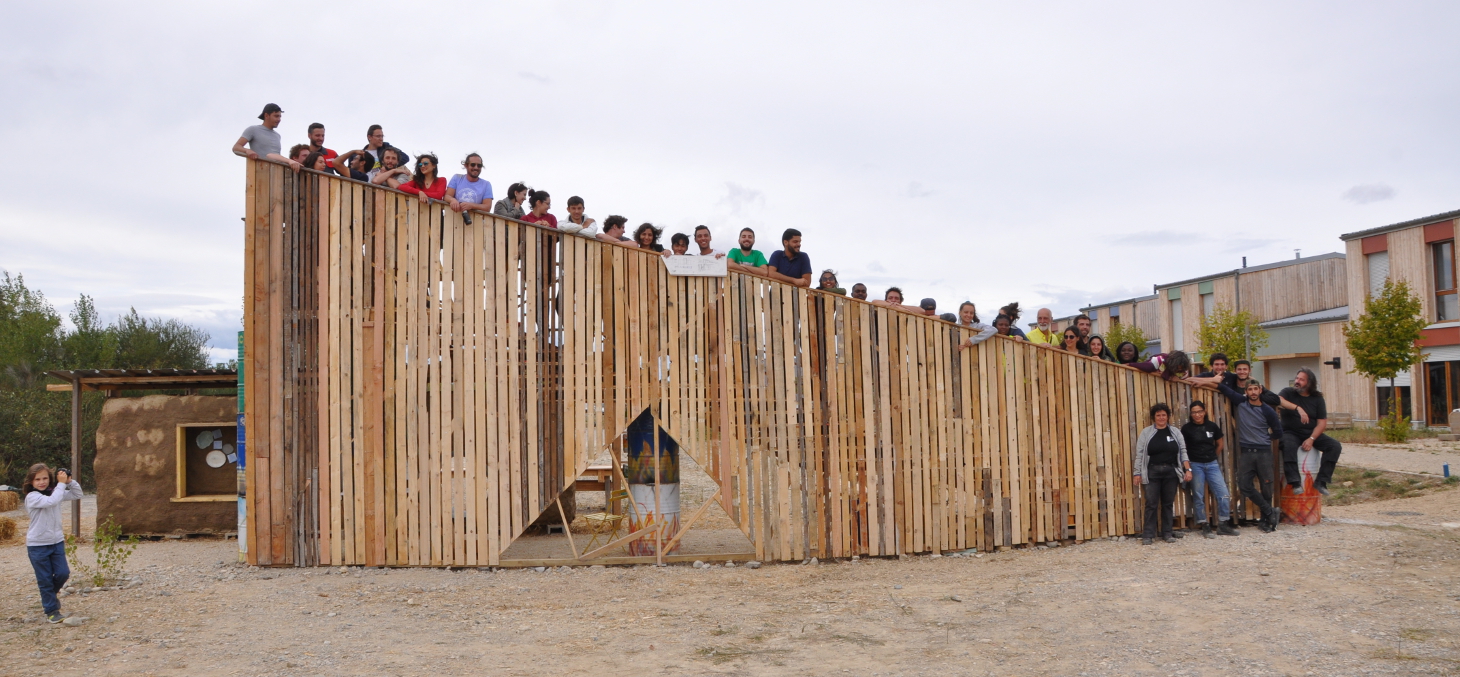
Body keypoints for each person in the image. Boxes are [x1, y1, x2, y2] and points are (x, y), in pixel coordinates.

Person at [1216, 378, 1284, 532]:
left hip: (1264, 453)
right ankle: (1269, 510)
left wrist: (1266, 439)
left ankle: (1266, 521)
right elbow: (1223, 388)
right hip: (1246, 453)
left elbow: (1278, 431)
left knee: (1267, 487)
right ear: (1245, 392)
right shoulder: (1241, 403)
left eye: (1255, 389)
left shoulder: (1268, 410)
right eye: (1250, 390)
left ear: (1260, 390)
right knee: (1245, 485)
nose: (1253, 392)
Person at [24, 464, 84, 623]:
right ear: (31, 482)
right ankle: (52, 610)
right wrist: (61, 484)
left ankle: (49, 596)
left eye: (45, 478)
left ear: (50, 479)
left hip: (56, 542)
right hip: (37, 545)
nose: (42, 482)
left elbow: (77, 493)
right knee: (44, 579)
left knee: (63, 573)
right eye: (37, 479)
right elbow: (51, 502)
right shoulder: (32, 497)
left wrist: (69, 481)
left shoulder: (54, 492)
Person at [1277, 368, 1343, 496]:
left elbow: (1322, 422)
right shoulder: (1288, 392)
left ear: (1309, 383)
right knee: (1288, 445)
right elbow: (1278, 400)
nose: (1297, 381)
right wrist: (1298, 408)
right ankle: (1295, 482)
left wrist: (1312, 438)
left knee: (1334, 446)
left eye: (1301, 380)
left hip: (1310, 432)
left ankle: (1322, 481)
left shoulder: (1317, 398)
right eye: (1297, 378)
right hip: (1290, 432)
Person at [1134, 403, 1192, 545]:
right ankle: (1148, 534)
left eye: (1163, 415)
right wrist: (1137, 473)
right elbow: (1140, 454)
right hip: (1152, 471)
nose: (1161, 418)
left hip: (1171, 472)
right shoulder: (1146, 433)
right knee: (1151, 503)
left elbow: (1183, 451)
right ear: (1154, 417)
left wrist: (1188, 469)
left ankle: (1167, 532)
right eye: (1158, 415)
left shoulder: (1175, 432)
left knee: (1167, 503)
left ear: (1168, 416)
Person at [1181, 400, 1239, 538]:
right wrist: (1187, 467)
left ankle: (1223, 524)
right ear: (1190, 413)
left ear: (1204, 412)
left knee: (1224, 493)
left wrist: (1213, 456)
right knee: (1198, 495)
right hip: (1195, 464)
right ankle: (1204, 525)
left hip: (1212, 464)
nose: (1197, 415)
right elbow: (1183, 449)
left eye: (1199, 411)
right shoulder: (1187, 429)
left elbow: (1220, 443)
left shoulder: (1212, 426)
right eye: (1194, 412)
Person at [232, 103, 300, 170]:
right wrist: (247, 151)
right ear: (266, 116)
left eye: (280, 116)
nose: (279, 119)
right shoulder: (253, 129)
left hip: (276, 172)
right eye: (276, 116)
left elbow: (276, 155)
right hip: (260, 171)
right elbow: (236, 147)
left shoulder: (277, 135)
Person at [446, 153, 494, 223]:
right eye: (473, 164)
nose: (476, 167)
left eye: (479, 165)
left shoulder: (486, 184)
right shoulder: (457, 178)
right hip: (453, 222)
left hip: (476, 225)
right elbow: (447, 196)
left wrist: (471, 206)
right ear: (466, 165)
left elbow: (487, 207)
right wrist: (452, 200)